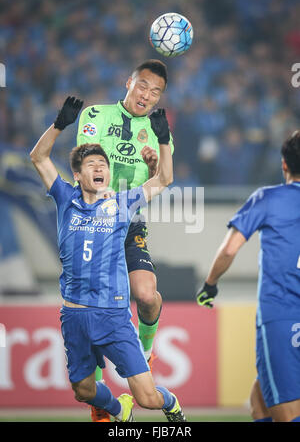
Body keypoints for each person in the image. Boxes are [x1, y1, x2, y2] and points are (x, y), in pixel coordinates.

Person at [30, 96, 186, 422]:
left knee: (149, 398)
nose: (100, 167)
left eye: (103, 164)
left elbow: (164, 180)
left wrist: (162, 140)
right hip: (74, 317)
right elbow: (39, 157)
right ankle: (118, 408)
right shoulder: (65, 197)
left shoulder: (123, 203)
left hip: (113, 318)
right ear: (77, 175)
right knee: (83, 391)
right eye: (91, 164)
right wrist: (60, 124)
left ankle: (170, 402)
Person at [76, 59, 173, 421]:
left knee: (147, 295)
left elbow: (163, 181)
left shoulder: (159, 130)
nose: (147, 96)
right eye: (143, 86)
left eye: (156, 92)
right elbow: (87, 165)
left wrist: (153, 166)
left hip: (129, 222)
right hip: (91, 225)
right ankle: (101, 406)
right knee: (92, 311)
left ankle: (145, 351)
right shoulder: (95, 115)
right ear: (128, 82)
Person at [196, 130, 300, 422]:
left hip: (283, 315)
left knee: (288, 415)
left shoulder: (268, 198)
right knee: (259, 400)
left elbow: (229, 249)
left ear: (284, 165)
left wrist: (209, 285)